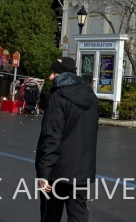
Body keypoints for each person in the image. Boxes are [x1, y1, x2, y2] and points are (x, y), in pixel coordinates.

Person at [36, 57, 99, 222]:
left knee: (51, 214)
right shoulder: (91, 97)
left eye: (54, 73)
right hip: (82, 168)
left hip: (57, 170)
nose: (50, 77)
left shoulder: (58, 97)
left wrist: (44, 171)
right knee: (78, 213)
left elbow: (52, 136)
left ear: (64, 75)